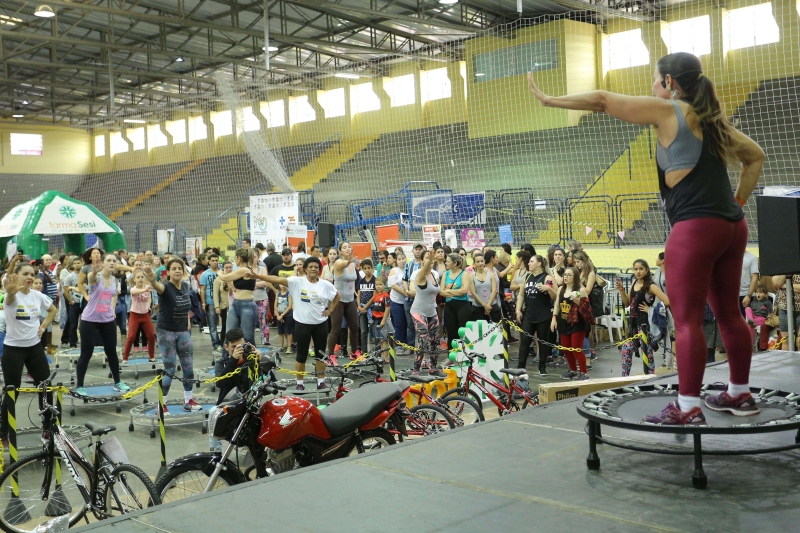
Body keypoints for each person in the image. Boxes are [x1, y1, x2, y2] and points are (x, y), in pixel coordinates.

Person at [528, 51, 765, 423]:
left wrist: (549, 100)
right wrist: (736, 201)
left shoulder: (670, 110)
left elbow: (604, 100)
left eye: (656, 80)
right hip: (734, 227)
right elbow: (756, 157)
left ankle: (687, 408)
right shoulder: (713, 121)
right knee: (729, 314)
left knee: (685, 321)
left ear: (669, 82)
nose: (653, 88)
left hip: (696, 227)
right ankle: (739, 393)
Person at [257, 257, 340, 391]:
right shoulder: (297, 282)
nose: (313, 269)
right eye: (311, 267)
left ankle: (321, 381)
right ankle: (300, 383)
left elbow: (337, 296)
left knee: (320, 355)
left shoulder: (325, 285)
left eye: (316, 267)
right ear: (305, 269)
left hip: (321, 324)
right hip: (302, 325)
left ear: (319, 270)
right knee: (301, 355)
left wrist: (330, 310)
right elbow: (277, 280)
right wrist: (258, 276)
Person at [1, 262, 57, 439]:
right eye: (25, 274)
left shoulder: (37, 296)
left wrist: (43, 326)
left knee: (45, 387)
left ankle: (47, 427)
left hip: (34, 348)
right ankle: (2, 432)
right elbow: (9, 298)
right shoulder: (12, 296)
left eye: (32, 274)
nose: (30, 277)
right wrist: (9, 291)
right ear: (16, 276)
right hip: (13, 350)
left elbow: (52, 310)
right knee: (12, 391)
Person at [144, 259, 201, 412]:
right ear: (168, 272)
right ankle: (162, 405)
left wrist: (187, 322)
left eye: (180, 268)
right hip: (166, 332)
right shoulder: (165, 287)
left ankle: (188, 401)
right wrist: (151, 278)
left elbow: (185, 307)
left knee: (188, 368)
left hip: (183, 331)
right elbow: (157, 286)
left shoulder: (186, 286)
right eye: (173, 268)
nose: (177, 271)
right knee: (170, 369)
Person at [75, 253, 131, 396]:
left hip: (107, 320)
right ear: (104, 263)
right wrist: (94, 271)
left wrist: (112, 310)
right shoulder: (96, 277)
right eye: (109, 261)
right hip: (89, 320)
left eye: (114, 261)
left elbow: (114, 295)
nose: (112, 263)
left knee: (111, 351)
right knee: (86, 353)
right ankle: (80, 386)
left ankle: (118, 382)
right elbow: (90, 279)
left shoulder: (115, 280)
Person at [616, 260, 670, 377]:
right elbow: (627, 303)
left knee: (646, 352)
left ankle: (650, 377)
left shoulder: (650, 286)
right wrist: (621, 290)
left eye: (641, 269)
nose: (638, 271)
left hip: (645, 325)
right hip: (634, 324)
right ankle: (624, 378)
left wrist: (651, 309)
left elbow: (667, 301)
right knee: (626, 349)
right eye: (635, 269)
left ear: (647, 270)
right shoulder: (634, 283)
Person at [516, 255, 557, 376]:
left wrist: (548, 289)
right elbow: (521, 295)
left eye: (531, 261)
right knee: (525, 341)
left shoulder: (547, 278)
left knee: (543, 341)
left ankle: (542, 367)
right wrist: (518, 310)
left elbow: (555, 297)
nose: (528, 263)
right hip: (529, 314)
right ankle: (521, 367)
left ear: (539, 264)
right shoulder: (527, 276)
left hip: (543, 315)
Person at [216, 248, 259, 353]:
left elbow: (224, 277)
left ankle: (251, 362)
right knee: (229, 335)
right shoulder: (241, 270)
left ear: (239, 258)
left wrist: (219, 272)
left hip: (247, 305)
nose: (235, 260)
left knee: (248, 338)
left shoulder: (244, 270)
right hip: (236, 304)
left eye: (235, 258)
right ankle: (226, 360)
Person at [551, 267, 591, 381]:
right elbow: (557, 305)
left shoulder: (581, 290)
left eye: (569, 275)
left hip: (577, 323)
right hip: (563, 322)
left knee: (576, 348)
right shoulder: (560, 290)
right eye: (565, 275)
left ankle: (584, 372)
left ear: (575, 277)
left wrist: (577, 300)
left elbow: (587, 309)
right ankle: (573, 370)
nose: (566, 277)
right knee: (566, 348)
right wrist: (554, 318)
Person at [409, 251, 441, 376]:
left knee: (435, 340)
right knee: (423, 339)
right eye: (427, 259)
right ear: (422, 261)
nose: (431, 261)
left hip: (431, 311)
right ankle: (416, 369)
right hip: (418, 311)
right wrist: (430, 259)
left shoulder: (435, 274)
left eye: (432, 259)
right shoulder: (419, 274)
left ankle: (433, 367)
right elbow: (425, 269)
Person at [326, 242, 360, 359]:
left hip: (350, 300)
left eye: (349, 247)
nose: (347, 249)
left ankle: (354, 353)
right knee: (336, 328)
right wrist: (350, 261)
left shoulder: (352, 265)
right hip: (338, 300)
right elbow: (343, 265)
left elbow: (352, 279)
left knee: (355, 327)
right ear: (340, 251)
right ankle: (330, 356)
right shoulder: (338, 262)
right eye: (344, 247)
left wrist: (355, 291)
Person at [122, 270, 156, 363]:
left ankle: (152, 356)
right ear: (134, 279)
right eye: (138, 277)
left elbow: (149, 297)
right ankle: (125, 357)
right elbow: (136, 292)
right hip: (134, 315)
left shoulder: (146, 288)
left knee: (151, 335)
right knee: (131, 336)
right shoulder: (133, 289)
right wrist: (146, 289)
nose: (140, 279)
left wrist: (148, 304)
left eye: (142, 277)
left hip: (145, 315)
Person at [441, 253, 472, 349]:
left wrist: (449, 291)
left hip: (462, 305)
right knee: (451, 331)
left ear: (454, 263)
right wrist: (454, 292)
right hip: (449, 306)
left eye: (448, 261)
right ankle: (451, 354)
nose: (445, 263)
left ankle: (465, 353)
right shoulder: (446, 274)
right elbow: (441, 292)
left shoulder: (464, 274)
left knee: (463, 330)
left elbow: (464, 291)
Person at [199, 254, 222, 353]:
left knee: (225, 323)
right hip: (210, 301)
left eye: (216, 260)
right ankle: (216, 343)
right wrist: (203, 303)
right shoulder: (205, 274)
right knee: (212, 325)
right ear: (209, 261)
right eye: (213, 260)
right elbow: (202, 290)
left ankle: (224, 342)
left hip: (223, 301)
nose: (215, 262)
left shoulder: (221, 272)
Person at [772, 274, 800, 350]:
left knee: (799, 341)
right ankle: (788, 361)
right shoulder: (785, 263)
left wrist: (785, 285)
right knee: (786, 341)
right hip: (784, 308)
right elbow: (776, 283)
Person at [469, 254, 500, 322]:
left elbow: (494, 291)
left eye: (481, 261)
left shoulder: (491, 275)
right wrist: (484, 305)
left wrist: (488, 304)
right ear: (474, 263)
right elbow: (474, 293)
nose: (480, 263)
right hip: (477, 306)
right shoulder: (471, 277)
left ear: (484, 262)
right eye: (477, 262)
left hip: (491, 304)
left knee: (497, 327)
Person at [60, 257, 82, 349]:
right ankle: (72, 343)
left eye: (78, 263)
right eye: (75, 263)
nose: (77, 265)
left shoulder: (85, 275)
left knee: (85, 323)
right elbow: (65, 291)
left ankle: (85, 341)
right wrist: (70, 301)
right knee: (73, 323)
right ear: (72, 265)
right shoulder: (69, 277)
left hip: (83, 302)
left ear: (81, 263)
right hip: (74, 303)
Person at [356, 259, 376, 355]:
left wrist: (366, 307)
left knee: (375, 332)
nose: (367, 270)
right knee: (363, 331)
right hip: (362, 309)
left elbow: (374, 296)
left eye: (369, 268)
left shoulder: (375, 280)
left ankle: (377, 352)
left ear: (372, 268)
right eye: (365, 268)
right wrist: (359, 306)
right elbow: (358, 295)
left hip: (372, 308)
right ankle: (364, 352)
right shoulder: (361, 281)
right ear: (362, 269)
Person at [746, 286, 773, 352]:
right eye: (757, 292)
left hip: (762, 318)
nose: (758, 294)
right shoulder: (753, 302)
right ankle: (751, 320)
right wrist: (751, 318)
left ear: (765, 295)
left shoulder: (767, 302)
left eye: (760, 293)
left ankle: (750, 345)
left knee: (750, 325)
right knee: (747, 308)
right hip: (753, 317)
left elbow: (770, 313)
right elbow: (750, 311)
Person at [371, 277, 391, 361]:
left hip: (382, 320)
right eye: (377, 285)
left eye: (380, 284)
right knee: (380, 339)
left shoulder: (386, 295)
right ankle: (382, 356)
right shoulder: (376, 295)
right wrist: (372, 318)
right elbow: (374, 308)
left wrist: (384, 320)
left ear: (384, 285)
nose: (378, 286)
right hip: (376, 320)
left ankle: (385, 357)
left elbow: (387, 308)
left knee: (384, 339)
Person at [213, 261, 232, 339]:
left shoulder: (235, 277)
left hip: (234, 305)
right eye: (226, 267)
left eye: (230, 267)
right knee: (224, 326)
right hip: (224, 306)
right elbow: (215, 294)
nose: (229, 269)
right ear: (223, 268)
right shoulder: (218, 279)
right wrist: (217, 306)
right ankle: (223, 343)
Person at [274, 282, 294, 354]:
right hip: (279, 316)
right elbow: (275, 305)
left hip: (288, 315)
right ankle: (281, 346)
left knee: (289, 331)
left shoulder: (289, 294)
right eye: (281, 284)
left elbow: (289, 306)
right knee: (280, 332)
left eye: (284, 284)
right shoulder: (277, 294)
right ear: (279, 285)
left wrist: (282, 315)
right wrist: (278, 315)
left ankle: (289, 346)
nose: (283, 286)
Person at [739, 250, 759, 320]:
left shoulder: (752, 258)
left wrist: (748, 295)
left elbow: (755, 277)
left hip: (745, 296)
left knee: (745, 322)